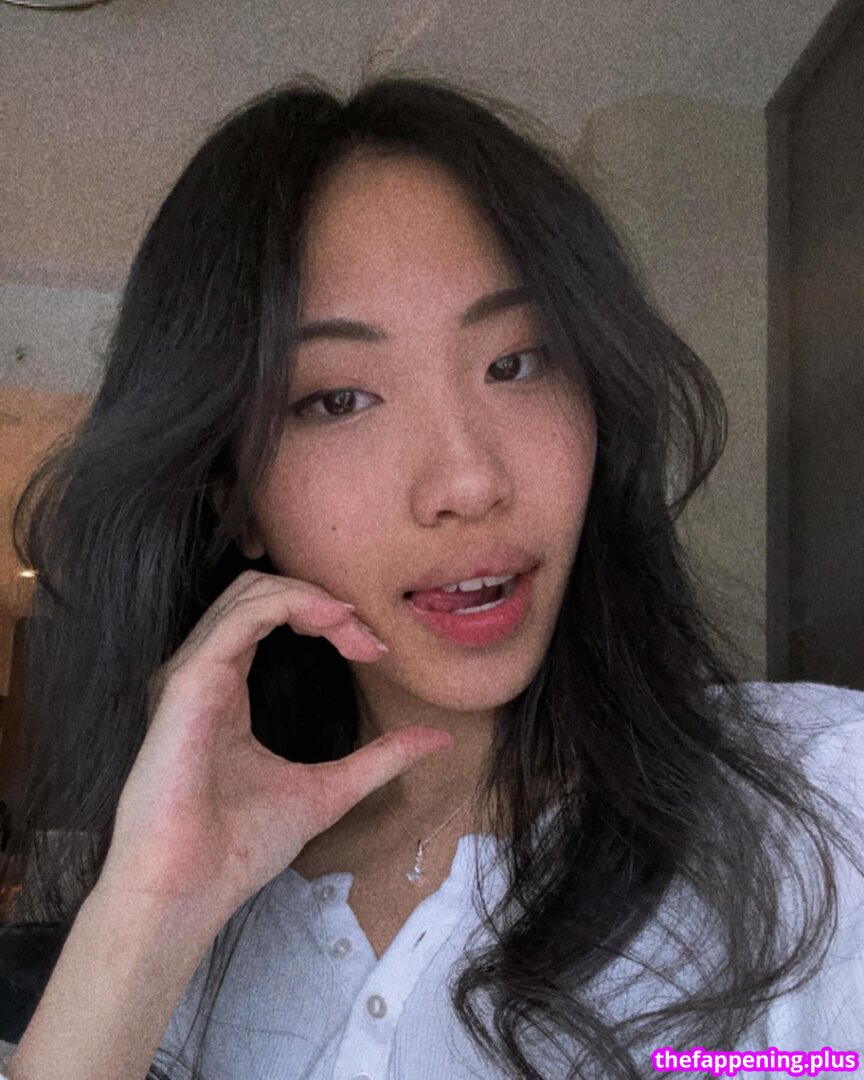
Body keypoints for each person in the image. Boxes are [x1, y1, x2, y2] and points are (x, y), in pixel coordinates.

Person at [0, 75, 861, 1080]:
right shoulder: (196, 922)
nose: (467, 481)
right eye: (338, 399)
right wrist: (147, 914)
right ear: (237, 500)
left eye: (518, 362)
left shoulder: (825, 801)